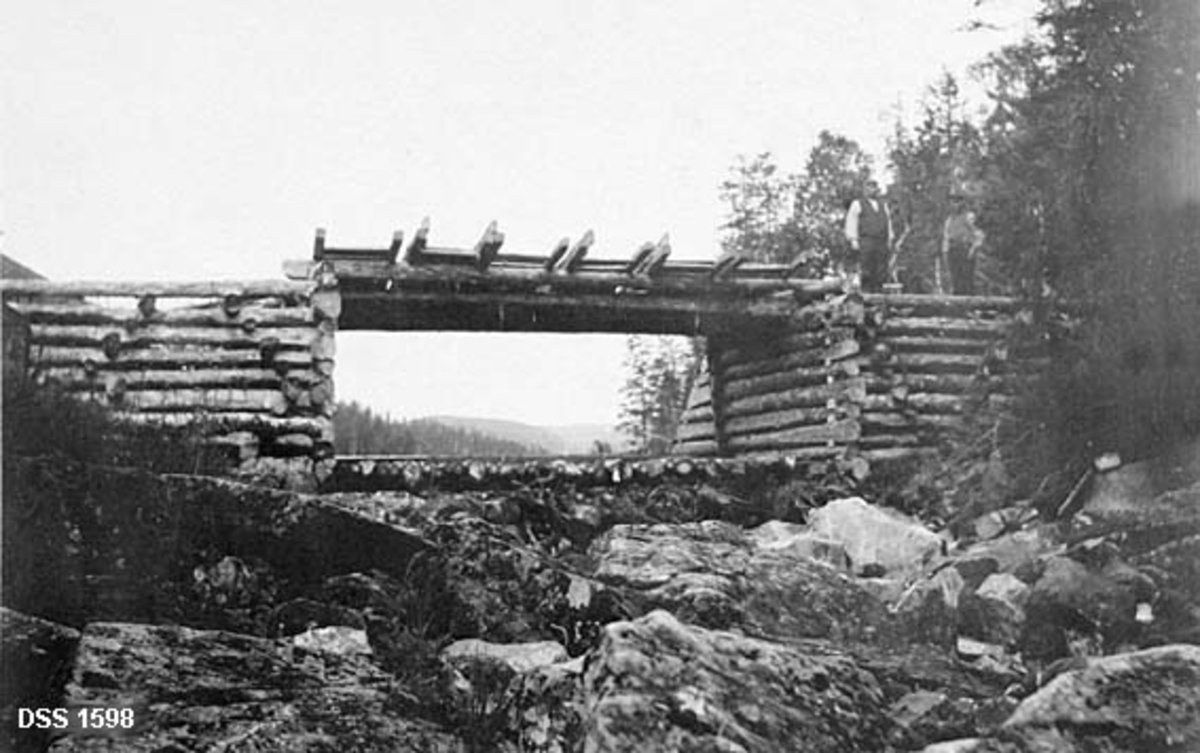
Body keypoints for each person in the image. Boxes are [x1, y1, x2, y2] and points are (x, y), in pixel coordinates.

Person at [843, 179, 893, 292]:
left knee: (881, 270)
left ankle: (879, 295)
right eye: (869, 187)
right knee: (867, 269)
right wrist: (853, 239)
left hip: (881, 241)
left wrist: (890, 238)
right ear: (864, 189)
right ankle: (867, 294)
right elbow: (851, 221)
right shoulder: (857, 203)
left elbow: (888, 222)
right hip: (866, 241)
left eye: (874, 187)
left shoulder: (883, 205)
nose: (872, 189)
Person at [941, 194, 986, 295]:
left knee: (967, 279)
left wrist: (973, 249)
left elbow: (979, 234)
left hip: (965, 250)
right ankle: (957, 304)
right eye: (953, 202)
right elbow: (946, 237)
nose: (955, 204)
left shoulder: (968, 216)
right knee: (955, 279)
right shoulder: (949, 220)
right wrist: (945, 252)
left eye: (957, 201)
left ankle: (970, 304)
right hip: (953, 251)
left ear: (962, 203)